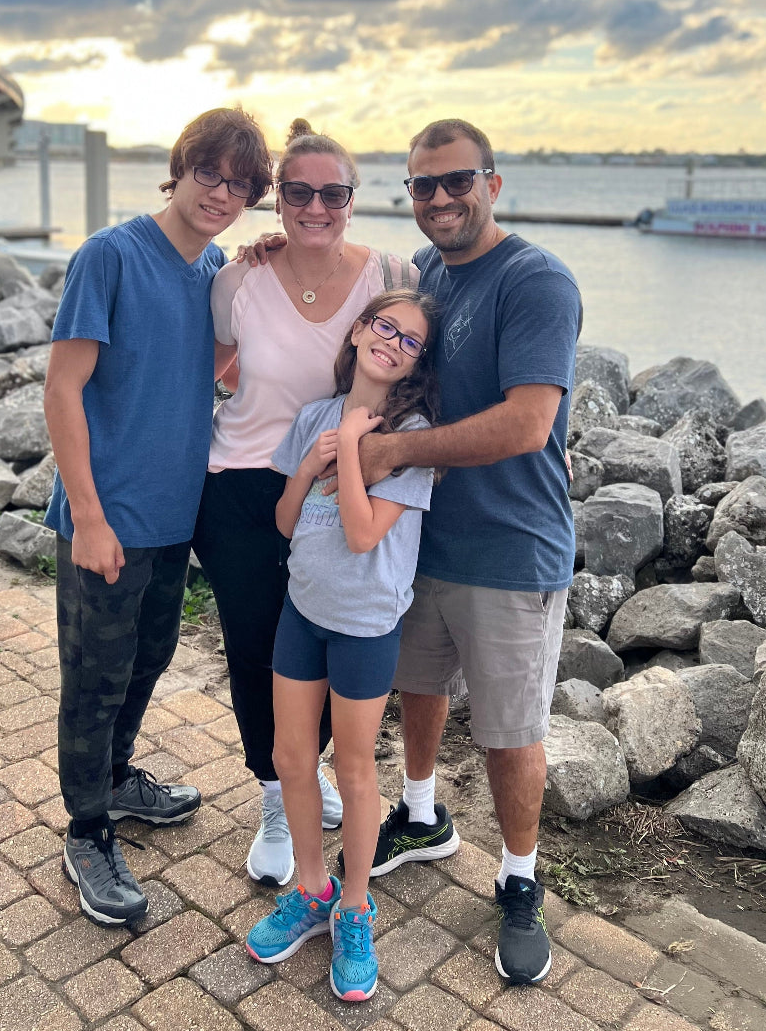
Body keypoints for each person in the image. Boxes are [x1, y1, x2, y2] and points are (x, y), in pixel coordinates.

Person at [350, 119, 582, 986]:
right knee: (417, 686)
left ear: (493, 182)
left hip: (512, 548)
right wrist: (265, 250)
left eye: (457, 181)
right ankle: (420, 816)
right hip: (424, 541)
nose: (440, 199)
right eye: (422, 186)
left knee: (511, 730)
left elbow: (528, 423)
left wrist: (397, 454)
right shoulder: (433, 277)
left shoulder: (537, 280)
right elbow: (367, 318)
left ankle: (519, 878)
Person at [43, 108, 273, 926]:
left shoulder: (215, 267)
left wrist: (257, 282)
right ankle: (86, 827)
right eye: (209, 174)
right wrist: (91, 517)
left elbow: (205, 365)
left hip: (176, 515)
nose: (222, 193)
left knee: (150, 656)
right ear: (179, 170)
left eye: (242, 184)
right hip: (108, 518)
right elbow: (63, 387)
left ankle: (115, 778)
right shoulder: (109, 255)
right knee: (95, 677)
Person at [191, 119, 418, 887]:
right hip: (244, 486)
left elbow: (415, 350)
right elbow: (219, 358)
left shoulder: (390, 271)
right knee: (259, 654)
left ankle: (308, 773)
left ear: (352, 199)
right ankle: (275, 798)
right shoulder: (237, 279)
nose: (314, 206)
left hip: (338, 478)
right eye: (298, 192)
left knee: (329, 639)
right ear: (278, 198)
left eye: (331, 193)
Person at [244, 290, 438, 1002]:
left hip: (365, 624)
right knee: (292, 756)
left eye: (410, 340)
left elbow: (362, 532)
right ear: (359, 331)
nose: (391, 341)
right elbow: (288, 523)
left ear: (419, 360)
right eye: (383, 326)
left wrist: (354, 449)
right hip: (304, 610)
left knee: (354, 770)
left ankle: (353, 907)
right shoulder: (315, 417)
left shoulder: (412, 434)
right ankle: (310, 887)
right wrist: (312, 461)